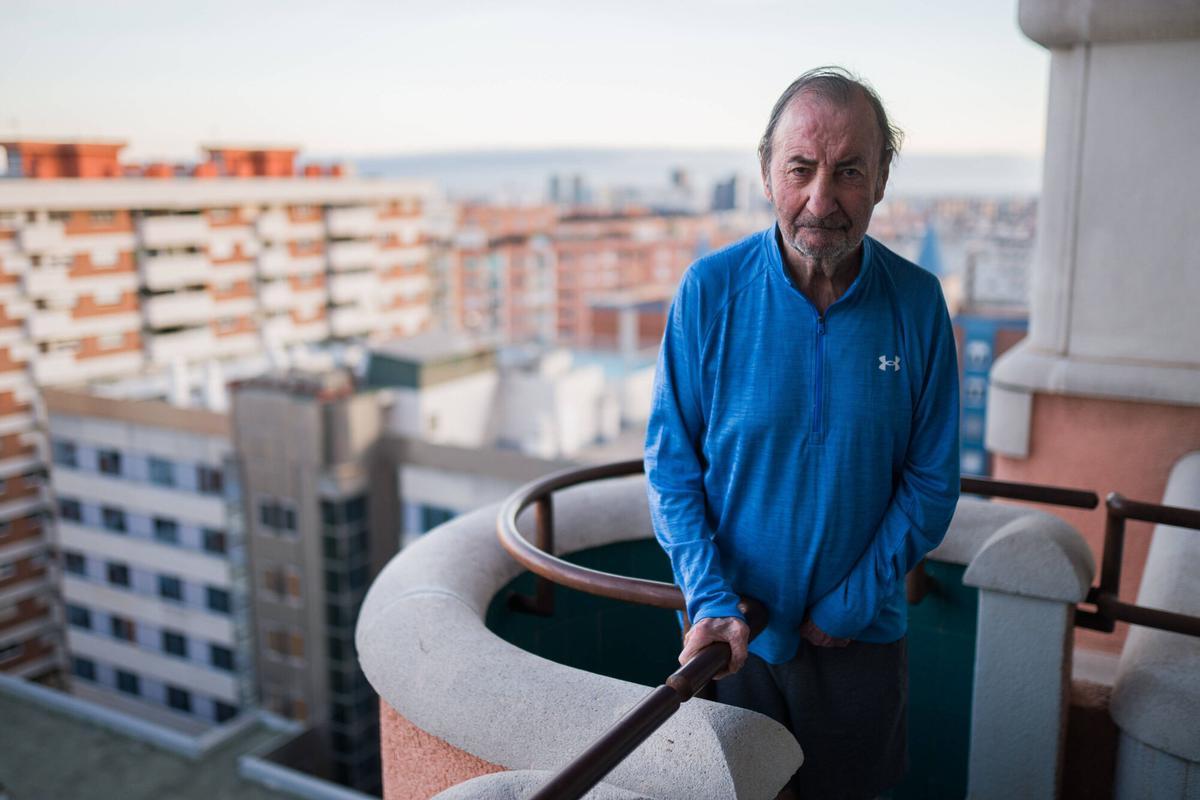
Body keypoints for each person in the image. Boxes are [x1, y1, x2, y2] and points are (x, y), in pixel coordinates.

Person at [644, 67, 961, 799]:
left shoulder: (917, 302)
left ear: (881, 179)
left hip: (861, 643)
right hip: (734, 642)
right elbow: (671, 468)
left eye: (849, 170)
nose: (821, 200)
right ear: (766, 173)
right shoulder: (709, 291)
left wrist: (856, 598)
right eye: (800, 168)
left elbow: (932, 479)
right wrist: (710, 598)